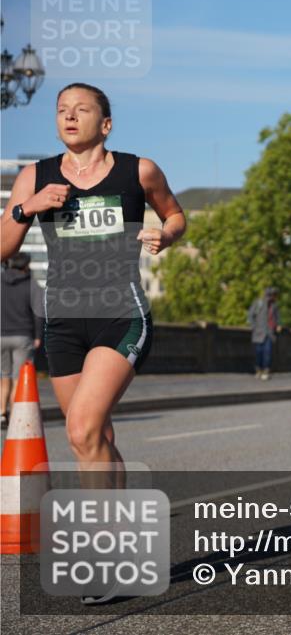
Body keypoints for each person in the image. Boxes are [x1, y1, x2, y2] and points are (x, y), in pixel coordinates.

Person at [0, 84, 185, 569]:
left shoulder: (137, 170)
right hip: (61, 321)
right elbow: (2, 246)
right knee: (95, 435)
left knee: (82, 429)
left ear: (105, 124)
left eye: (81, 110)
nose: (69, 116)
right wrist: (28, 208)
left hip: (120, 314)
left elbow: (175, 213)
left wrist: (164, 234)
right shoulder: (34, 177)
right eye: (61, 110)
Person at [1, 252, 43, 428]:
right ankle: (16, 417)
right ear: (26, 266)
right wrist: (38, 336)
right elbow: (39, 313)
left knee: (3, 377)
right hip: (22, 336)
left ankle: (1, 414)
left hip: (0, 336)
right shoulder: (31, 285)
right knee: (20, 378)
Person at [247, 287, 281, 380]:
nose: (274, 298)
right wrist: (254, 326)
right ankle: (258, 369)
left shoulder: (275, 306)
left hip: (269, 333)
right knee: (258, 352)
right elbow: (250, 315)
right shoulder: (258, 303)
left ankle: (266, 370)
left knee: (268, 352)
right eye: (273, 295)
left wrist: (277, 325)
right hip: (259, 332)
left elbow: (277, 317)